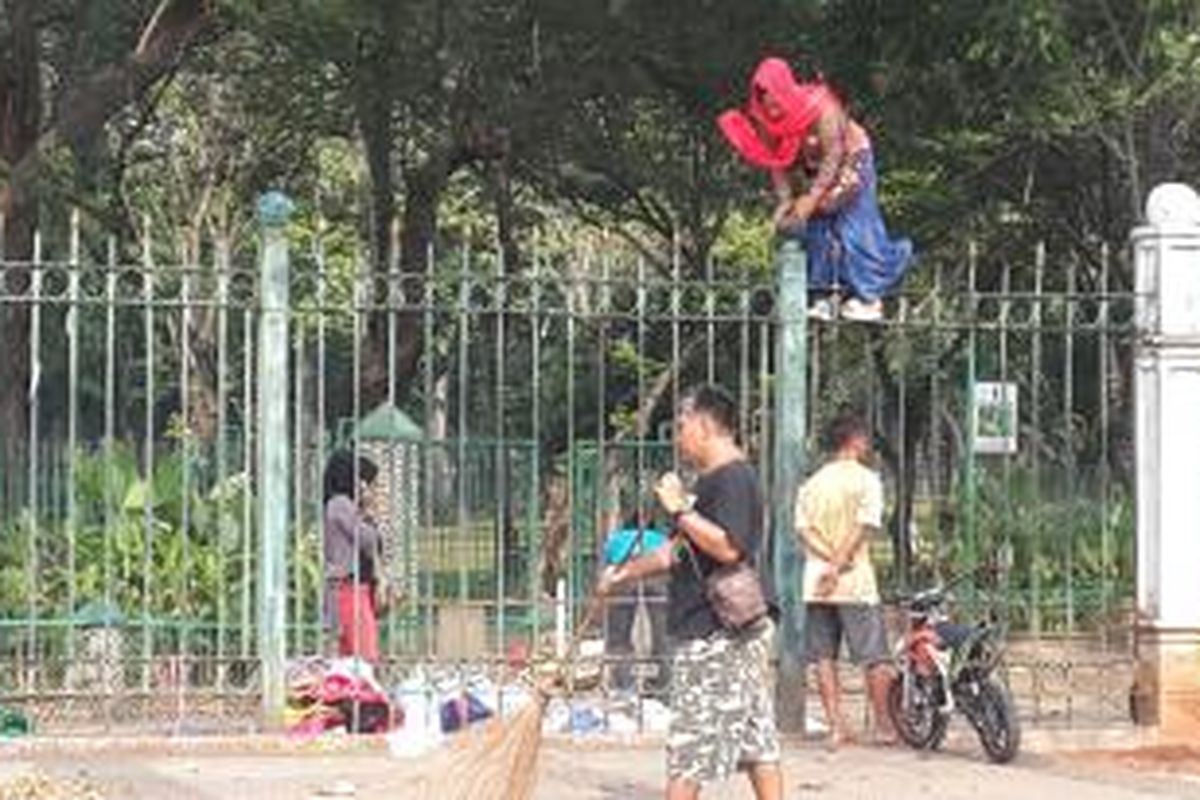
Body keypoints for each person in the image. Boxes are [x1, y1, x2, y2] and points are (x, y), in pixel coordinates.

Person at [599, 385, 782, 800]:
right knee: (756, 742)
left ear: (702, 425)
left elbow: (729, 546)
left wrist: (681, 508)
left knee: (688, 750)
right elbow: (672, 553)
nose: (678, 437)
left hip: (717, 633)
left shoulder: (734, 477)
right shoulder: (709, 482)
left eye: (681, 426)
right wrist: (620, 574)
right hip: (728, 633)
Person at [718, 57, 912, 322]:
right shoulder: (765, 120)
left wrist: (812, 196)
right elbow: (775, 162)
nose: (771, 107)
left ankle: (869, 297)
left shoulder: (821, 108)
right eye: (764, 101)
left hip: (848, 159)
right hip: (808, 168)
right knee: (813, 226)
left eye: (775, 99)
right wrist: (786, 199)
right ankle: (822, 295)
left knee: (854, 226)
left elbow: (834, 156)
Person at [794, 412, 896, 747]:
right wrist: (839, 565)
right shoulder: (867, 480)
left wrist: (827, 564)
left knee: (824, 656)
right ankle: (883, 725)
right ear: (856, 441)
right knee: (874, 656)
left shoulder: (812, 484)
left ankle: (836, 726)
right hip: (855, 581)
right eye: (865, 440)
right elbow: (863, 526)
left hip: (816, 582)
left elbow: (804, 530)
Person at [323, 449, 384, 662]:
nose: (362, 485)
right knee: (365, 655)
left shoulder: (341, 505)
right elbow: (368, 540)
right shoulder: (340, 504)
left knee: (351, 656)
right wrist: (368, 512)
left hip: (354, 587)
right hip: (348, 587)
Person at [601, 508, 671, 694]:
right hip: (657, 578)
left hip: (624, 578)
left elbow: (608, 564)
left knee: (619, 636)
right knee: (661, 634)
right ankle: (659, 685)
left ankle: (624, 685)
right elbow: (668, 560)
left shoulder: (616, 538)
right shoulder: (660, 538)